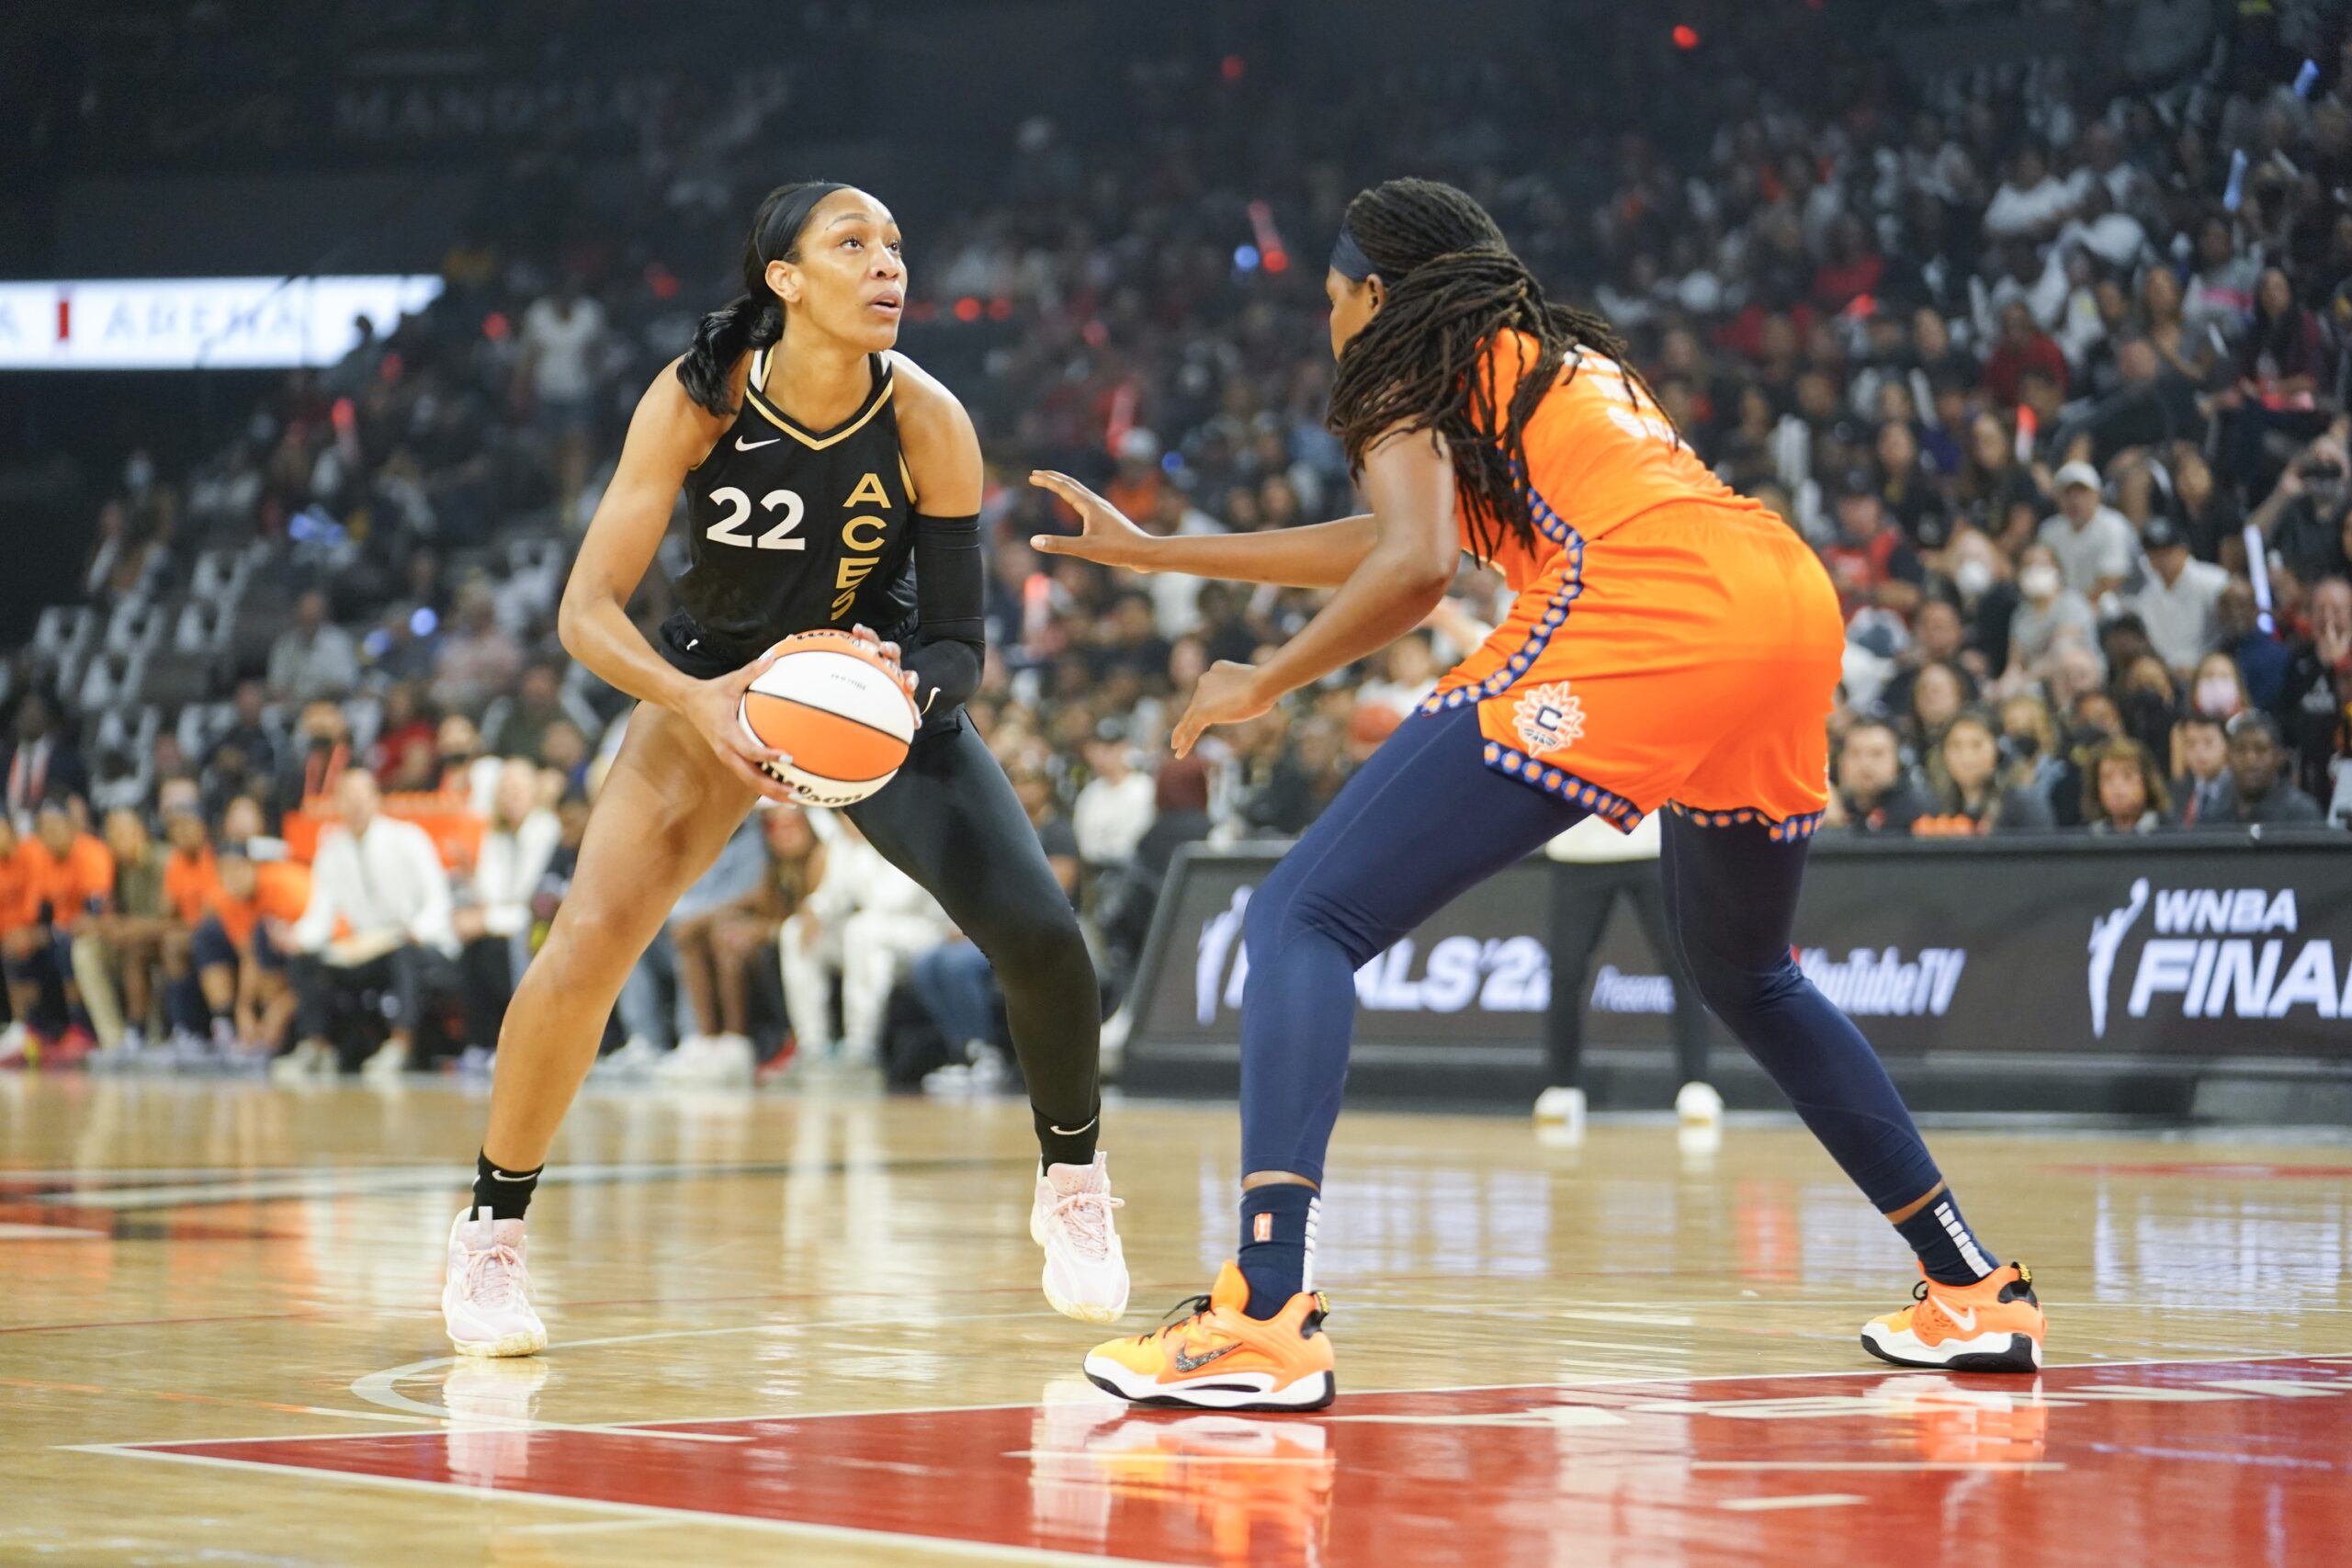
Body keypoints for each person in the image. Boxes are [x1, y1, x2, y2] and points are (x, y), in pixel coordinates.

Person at [1033, 180, 2043, 1410]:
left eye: (1329, 297)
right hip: (1782, 595)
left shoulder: (1399, 363)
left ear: (1377, 293)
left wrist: (1267, 677)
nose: (1328, 322)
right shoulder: (1541, 357)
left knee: (1299, 915)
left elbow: (1411, 571)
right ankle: (1970, 1283)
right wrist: (1156, 549)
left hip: (1651, 613)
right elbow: (1400, 533)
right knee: (1748, 969)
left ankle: (1262, 1308)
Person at [444, 182, 1126, 1359]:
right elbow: (585, 613)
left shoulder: (929, 420)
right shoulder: (697, 400)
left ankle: (1071, 1184)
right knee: (586, 949)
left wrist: (908, 687)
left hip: (869, 701)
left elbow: (962, 645)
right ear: (785, 280)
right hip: (714, 690)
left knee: (1044, 937)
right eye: (852, 245)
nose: (887, 266)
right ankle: (490, 1239)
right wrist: (694, 702)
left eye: (897, 246)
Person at [277, 769, 458, 1081]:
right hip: (367, 948)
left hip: (419, 942)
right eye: (349, 799)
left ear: (376, 800)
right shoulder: (331, 849)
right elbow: (321, 914)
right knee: (307, 960)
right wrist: (298, 939)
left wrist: (417, 929)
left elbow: (438, 901)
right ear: (338, 804)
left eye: (363, 797)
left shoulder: (408, 838)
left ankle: (400, 1045)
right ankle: (317, 1046)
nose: (357, 806)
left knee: (404, 954)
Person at [665, 802, 822, 1078]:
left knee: (729, 940)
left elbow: (809, 922)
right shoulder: (775, 868)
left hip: (805, 944)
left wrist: (760, 931)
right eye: (774, 826)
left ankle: (736, 1043)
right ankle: (705, 1040)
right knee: (703, 934)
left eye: (791, 825)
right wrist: (700, 923)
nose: (782, 834)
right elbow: (754, 902)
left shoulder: (820, 860)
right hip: (781, 941)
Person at [1922, 711, 2055, 834]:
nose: (1966, 756)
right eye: (1955, 746)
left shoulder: (2023, 802)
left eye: (1977, 745)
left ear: (1998, 750)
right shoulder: (1933, 804)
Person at [2125, 514, 2228, 675]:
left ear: (2183, 550)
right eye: (2155, 554)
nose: (2162, 560)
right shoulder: (2147, 597)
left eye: (2168, 552)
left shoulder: (2214, 582)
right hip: (2170, 674)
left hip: (2212, 669)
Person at [2035, 462, 2139, 602]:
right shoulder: (2049, 530)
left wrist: (2075, 610)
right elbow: (2041, 574)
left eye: (2081, 493)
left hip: (2112, 606)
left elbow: (2111, 582)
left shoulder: (2113, 526)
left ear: (2097, 495)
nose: (2074, 500)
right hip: (2062, 607)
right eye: (2067, 494)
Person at [2211, 711, 2324, 827]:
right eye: (2240, 750)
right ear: (2228, 758)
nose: (2250, 760)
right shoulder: (2213, 813)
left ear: (2279, 757)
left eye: (2261, 749)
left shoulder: (2302, 813)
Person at [266, 590, 360, 704]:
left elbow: (346, 683)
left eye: (312, 617)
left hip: (331, 705)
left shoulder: (339, 642)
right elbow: (276, 685)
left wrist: (317, 693)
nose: (308, 622)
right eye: (304, 617)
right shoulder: (285, 645)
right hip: (293, 706)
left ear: (323, 615)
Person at [2084, 738, 2169, 834]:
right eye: (2107, 778)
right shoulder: (2086, 836)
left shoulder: (2171, 833)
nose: (2117, 788)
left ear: (2147, 782)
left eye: (2127, 776)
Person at [2169, 713, 2233, 827]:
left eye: (2208, 743)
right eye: (2191, 744)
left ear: (2227, 745)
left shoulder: (2239, 789)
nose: (2199, 751)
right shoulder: (2178, 791)